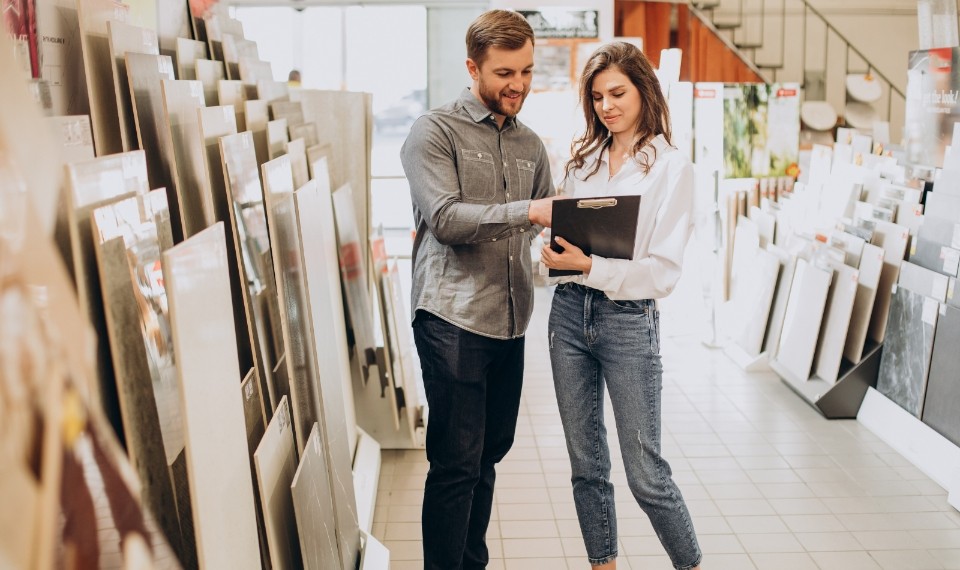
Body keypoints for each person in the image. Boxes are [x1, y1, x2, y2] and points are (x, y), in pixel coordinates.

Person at [399, 9, 557, 570]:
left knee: (489, 454)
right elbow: (445, 219)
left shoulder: (531, 144)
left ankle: (471, 563)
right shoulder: (434, 131)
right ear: (473, 67)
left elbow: (544, 223)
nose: (518, 85)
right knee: (456, 463)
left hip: (510, 320)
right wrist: (530, 211)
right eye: (505, 73)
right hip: (452, 318)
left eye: (527, 72)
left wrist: (564, 244)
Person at [539, 42, 703, 570]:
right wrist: (554, 256)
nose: (607, 106)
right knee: (586, 465)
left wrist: (594, 267)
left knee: (645, 473)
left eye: (617, 93)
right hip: (567, 314)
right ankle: (602, 564)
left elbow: (663, 271)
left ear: (643, 90)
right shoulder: (583, 160)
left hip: (627, 322)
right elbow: (567, 239)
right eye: (597, 97)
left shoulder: (672, 169)